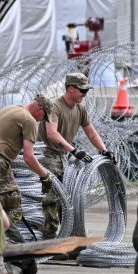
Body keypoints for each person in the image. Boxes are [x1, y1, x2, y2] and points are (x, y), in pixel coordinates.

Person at [0, 94, 53, 274]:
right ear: (40, 110)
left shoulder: (8, 109)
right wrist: (45, 176)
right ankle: (14, 258)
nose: (42, 121)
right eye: (44, 117)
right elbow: (28, 156)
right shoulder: (29, 120)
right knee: (13, 209)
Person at [39, 72, 115, 241]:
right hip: (47, 156)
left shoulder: (80, 108)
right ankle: (48, 240)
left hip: (62, 157)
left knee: (66, 199)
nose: (85, 94)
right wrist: (74, 150)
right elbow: (52, 133)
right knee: (51, 198)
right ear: (71, 89)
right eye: (82, 90)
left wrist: (104, 150)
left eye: (86, 91)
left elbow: (91, 133)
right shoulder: (54, 107)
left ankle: (64, 238)